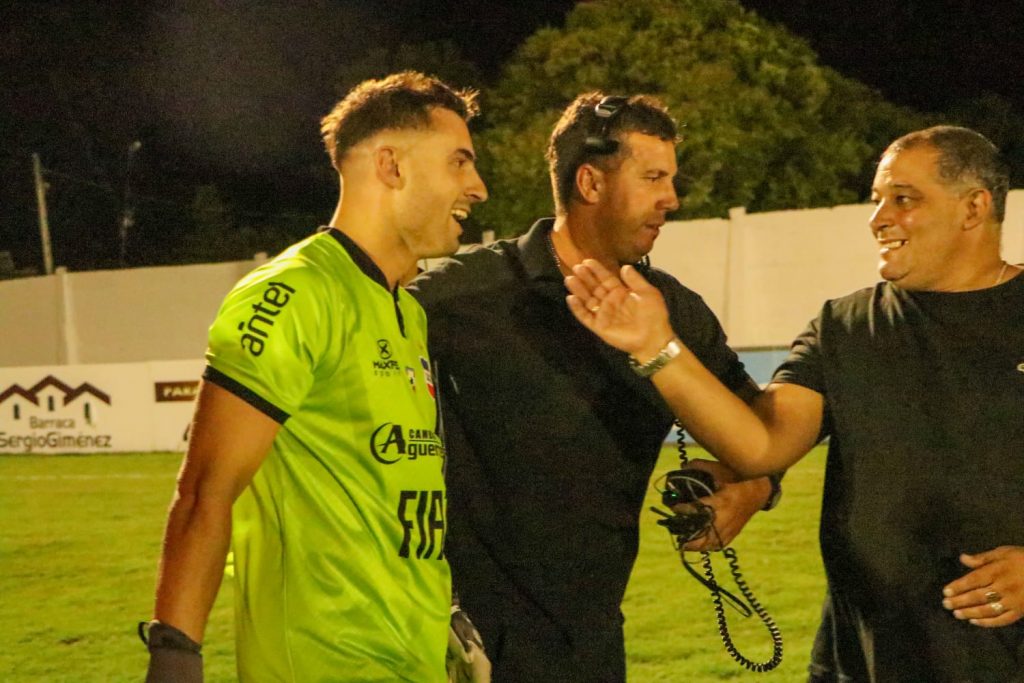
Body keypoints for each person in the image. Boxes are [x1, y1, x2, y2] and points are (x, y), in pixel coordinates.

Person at [565, 125, 1024, 681]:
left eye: (904, 199)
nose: (878, 218)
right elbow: (762, 444)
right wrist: (655, 348)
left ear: (974, 207)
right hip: (862, 661)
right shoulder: (844, 327)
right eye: (878, 199)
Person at [408, 93, 780, 682]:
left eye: (671, 179)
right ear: (590, 182)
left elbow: (763, 425)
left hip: (593, 644)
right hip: (456, 647)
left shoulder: (674, 311)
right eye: (653, 177)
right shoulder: (457, 299)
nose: (672, 199)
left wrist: (754, 487)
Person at [140, 71, 490, 682]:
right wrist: (176, 654)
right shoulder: (292, 293)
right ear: (391, 166)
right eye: (460, 162)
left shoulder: (405, 309)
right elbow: (205, 490)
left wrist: (445, 614)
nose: (477, 187)